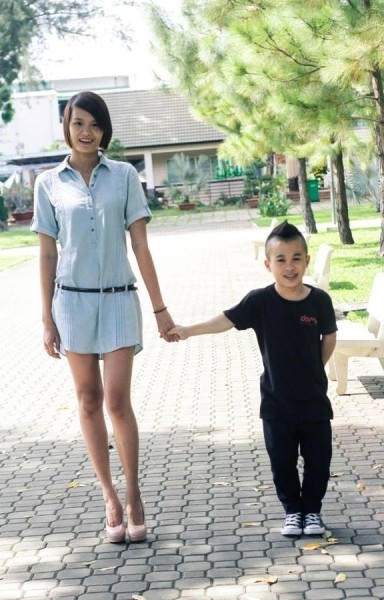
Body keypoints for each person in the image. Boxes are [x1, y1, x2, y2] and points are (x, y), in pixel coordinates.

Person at [31, 91, 176, 543]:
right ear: (67, 127)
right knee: (88, 400)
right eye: (78, 123)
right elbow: (47, 254)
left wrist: (160, 307)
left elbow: (141, 245)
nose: (86, 132)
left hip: (117, 301)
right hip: (71, 304)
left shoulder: (125, 176)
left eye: (94, 124)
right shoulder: (48, 184)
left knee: (116, 401)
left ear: (104, 130)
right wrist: (46, 318)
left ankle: (134, 493)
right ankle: (109, 496)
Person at [169, 221, 337, 536]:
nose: (290, 266)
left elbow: (329, 336)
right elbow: (225, 320)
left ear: (307, 260)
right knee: (282, 463)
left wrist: (316, 367)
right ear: (268, 264)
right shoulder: (260, 301)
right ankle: (293, 512)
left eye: (296, 258)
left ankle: (312, 512)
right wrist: (188, 330)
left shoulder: (319, 301)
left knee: (318, 461)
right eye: (281, 259)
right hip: (276, 402)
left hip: (314, 400)